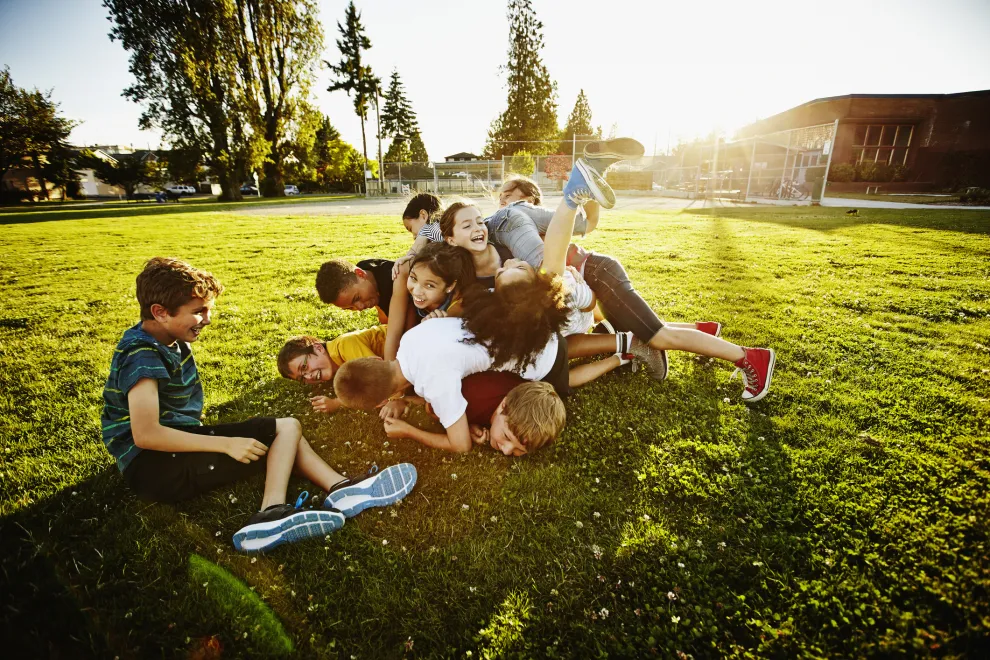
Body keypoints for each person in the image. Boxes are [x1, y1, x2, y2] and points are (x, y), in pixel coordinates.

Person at [101, 257, 416, 553]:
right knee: (283, 430)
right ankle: (269, 517)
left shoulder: (167, 340)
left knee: (286, 430)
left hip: (170, 453)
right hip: (154, 466)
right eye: (199, 311)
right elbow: (145, 434)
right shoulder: (141, 354)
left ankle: (342, 489)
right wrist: (227, 444)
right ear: (160, 312)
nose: (207, 320)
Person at [332, 312, 567, 455]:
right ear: (375, 360)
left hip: (541, 358)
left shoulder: (434, 381)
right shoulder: (410, 338)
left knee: (564, 387)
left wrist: (409, 431)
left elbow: (461, 445)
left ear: (382, 401)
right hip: (534, 327)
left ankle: (604, 352)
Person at [315, 257, 413, 360]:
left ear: (360, 274)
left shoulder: (392, 282)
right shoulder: (366, 269)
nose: (360, 307)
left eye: (357, 298)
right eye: (350, 308)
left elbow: (403, 336)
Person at [277, 326, 388, 414]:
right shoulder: (340, 368)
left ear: (318, 348)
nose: (309, 377)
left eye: (304, 367)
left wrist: (337, 403)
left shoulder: (345, 345)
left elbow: (380, 384)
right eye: (302, 378)